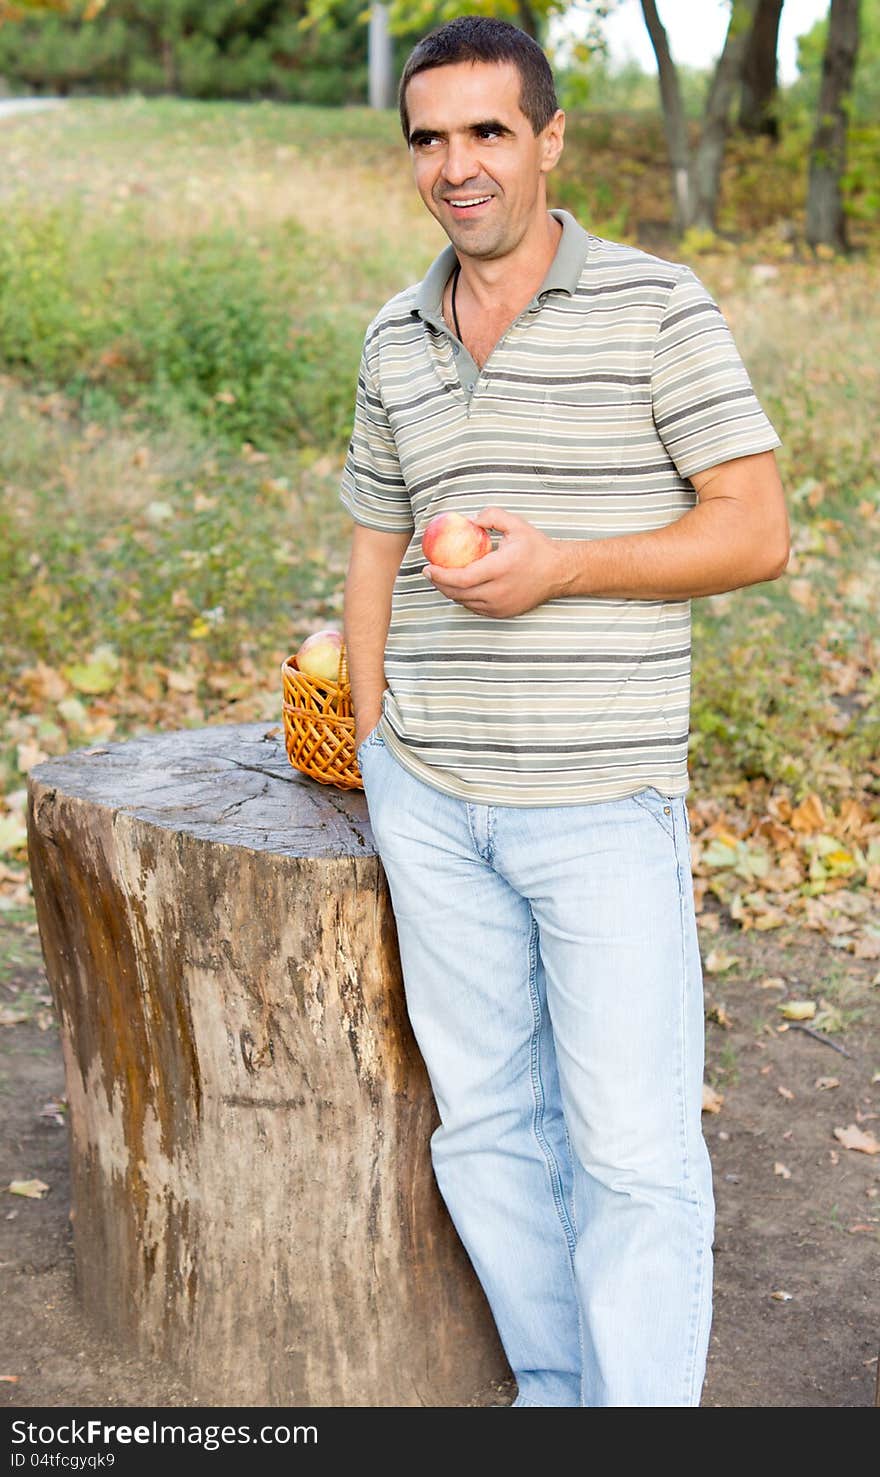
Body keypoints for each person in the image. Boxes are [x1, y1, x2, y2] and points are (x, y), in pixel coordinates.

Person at [339, 14, 789, 1408]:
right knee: (483, 1128)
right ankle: (555, 1385)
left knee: (630, 1144)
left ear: (547, 139)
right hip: (432, 793)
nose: (457, 166)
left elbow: (757, 530)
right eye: (430, 137)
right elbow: (370, 543)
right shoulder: (395, 334)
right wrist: (371, 743)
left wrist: (568, 565)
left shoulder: (659, 306)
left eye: (487, 132)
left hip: (599, 800)